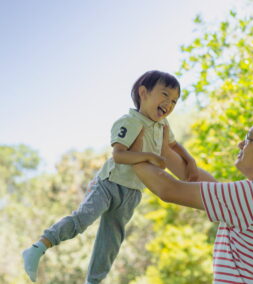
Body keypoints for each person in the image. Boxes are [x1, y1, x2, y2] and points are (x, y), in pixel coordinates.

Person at [22, 70, 201, 284]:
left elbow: (173, 144)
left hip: (133, 191)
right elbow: (119, 156)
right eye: (164, 95)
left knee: (112, 240)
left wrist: (189, 159)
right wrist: (150, 157)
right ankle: (39, 246)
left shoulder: (163, 126)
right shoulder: (129, 121)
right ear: (143, 92)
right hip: (109, 184)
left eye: (174, 101)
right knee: (83, 219)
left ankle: (93, 281)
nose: (169, 104)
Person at [131, 107, 253, 283]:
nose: (241, 144)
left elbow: (168, 190)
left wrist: (131, 154)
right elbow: (200, 183)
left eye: (249, 139)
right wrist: (163, 149)